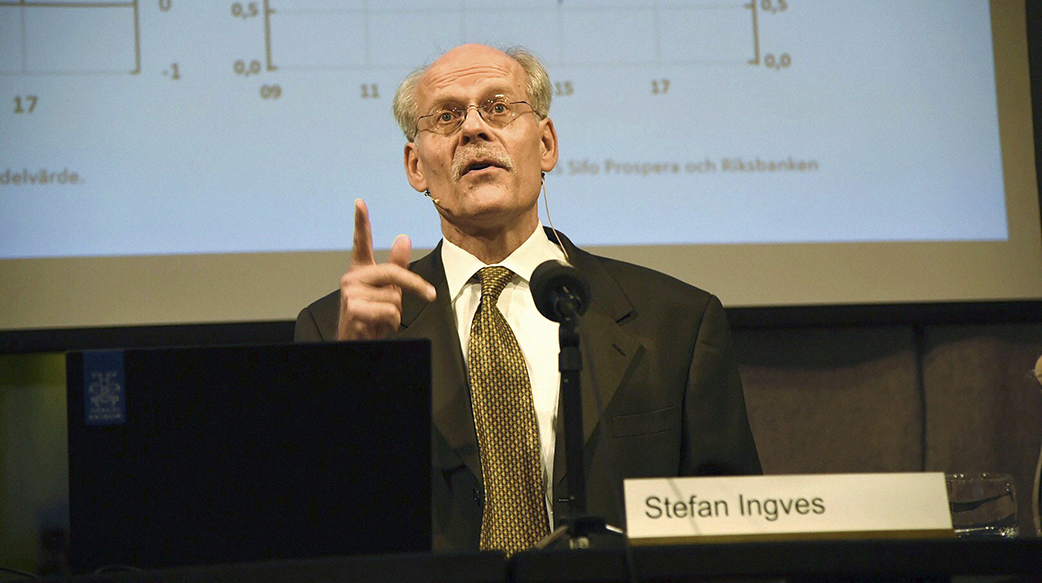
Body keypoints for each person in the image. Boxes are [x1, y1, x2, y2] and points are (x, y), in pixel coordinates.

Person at [295, 43, 761, 554]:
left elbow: (734, 535)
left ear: (546, 145)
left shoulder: (676, 322)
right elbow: (315, 521)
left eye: (498, 107)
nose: (473, 129)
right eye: (447, 117)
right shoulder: (334, 331)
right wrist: (352, 372)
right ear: (415, 167)